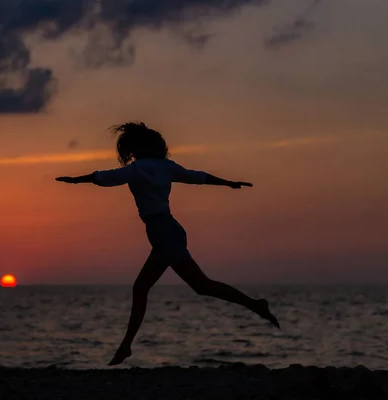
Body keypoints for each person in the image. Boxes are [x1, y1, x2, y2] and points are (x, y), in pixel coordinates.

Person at [55, 121, 280, 366]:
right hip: (168, 232)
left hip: (164, 234)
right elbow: (198, 177)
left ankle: (254, 304)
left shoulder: (136, 169)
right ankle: (126, 346)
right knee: (168, 287)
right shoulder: (166, 167)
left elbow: (105, 178)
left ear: (133, 148)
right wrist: (228, 183)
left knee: (184, 286)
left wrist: (76, 180)